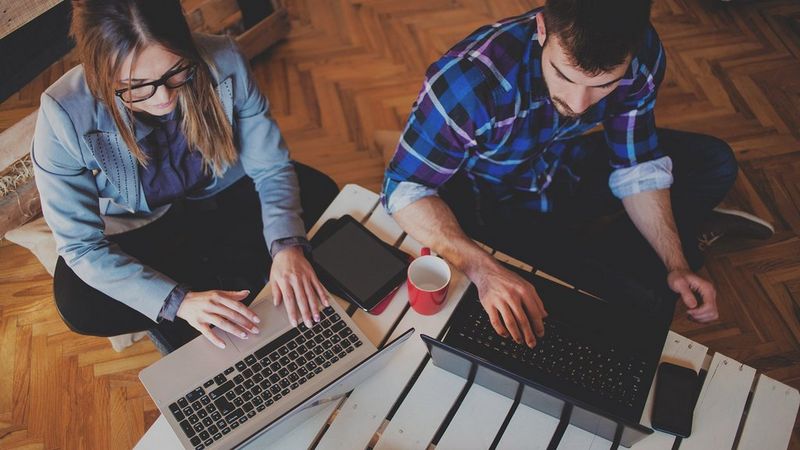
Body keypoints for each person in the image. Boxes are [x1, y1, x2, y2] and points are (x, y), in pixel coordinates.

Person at [382, 0, 774, 349]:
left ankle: (662, 250)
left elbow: (635, 163)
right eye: (565, 75)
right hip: (496, 205)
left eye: (603, 85)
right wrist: (483, 269)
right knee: (645, 306)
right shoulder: (468, 83)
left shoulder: (642, 55)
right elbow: (404, 189)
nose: (577, 103)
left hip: (563, 165)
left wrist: (676, 263)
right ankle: (661, 240)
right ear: (541, 28)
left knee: (717, 161)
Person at [33, 0, 336, 353]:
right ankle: (208, 295)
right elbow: (80, 246)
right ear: (101, 72)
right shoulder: (62, 114)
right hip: (141, 225)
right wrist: (177, 302)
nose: (164, 97)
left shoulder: (225, 58)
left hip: (220, 194)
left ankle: (216, 291)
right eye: (137, 86)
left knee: (321, 197)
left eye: (177, 71)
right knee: (79, 303)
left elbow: (270, 167)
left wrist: (286, 247)